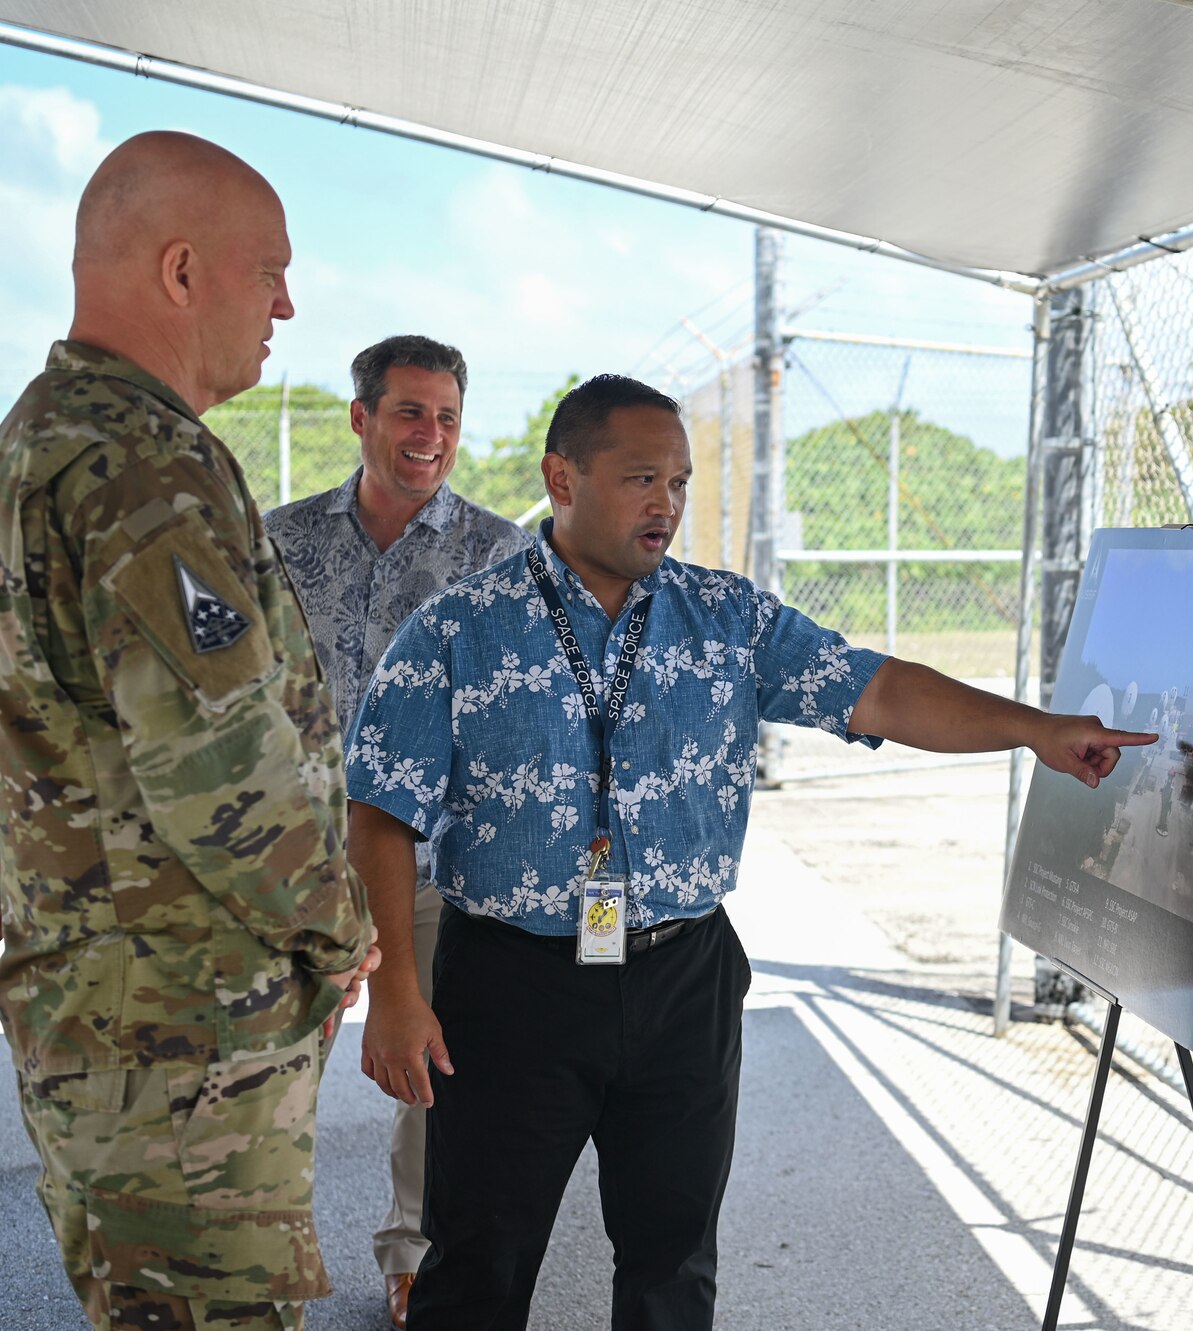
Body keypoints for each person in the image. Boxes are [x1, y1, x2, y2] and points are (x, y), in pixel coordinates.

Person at [346, 373, 1152, 1330]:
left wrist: (1035, 729)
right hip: (513, 987)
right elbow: (380, 811)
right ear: (562, 477)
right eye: (642, 478)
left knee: (674, 1261)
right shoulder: (459, 628)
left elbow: (878, 691)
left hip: (682, 979)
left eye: (680, 482)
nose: (668, 504)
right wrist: (396, 989)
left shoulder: (727, 618)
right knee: (478, 1262)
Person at [0, 131, 379, 1331]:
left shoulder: (49, 435)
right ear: (179, 272)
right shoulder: (137, 463)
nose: (287, 303)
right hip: (178, 1045)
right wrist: (343, 924)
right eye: (267, 269)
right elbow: (224, 771)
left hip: (115, 1018)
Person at [266, 333, 531, 1328]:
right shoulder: (277, 540)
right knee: (271, 1070)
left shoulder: (501, 554)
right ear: (362, 417)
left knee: (431, 1064)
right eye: (411, 412)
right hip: (291, 861)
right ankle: (261, 1250)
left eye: (448, 417)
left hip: (435, 861)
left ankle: (411, 1252)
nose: (431, 435)